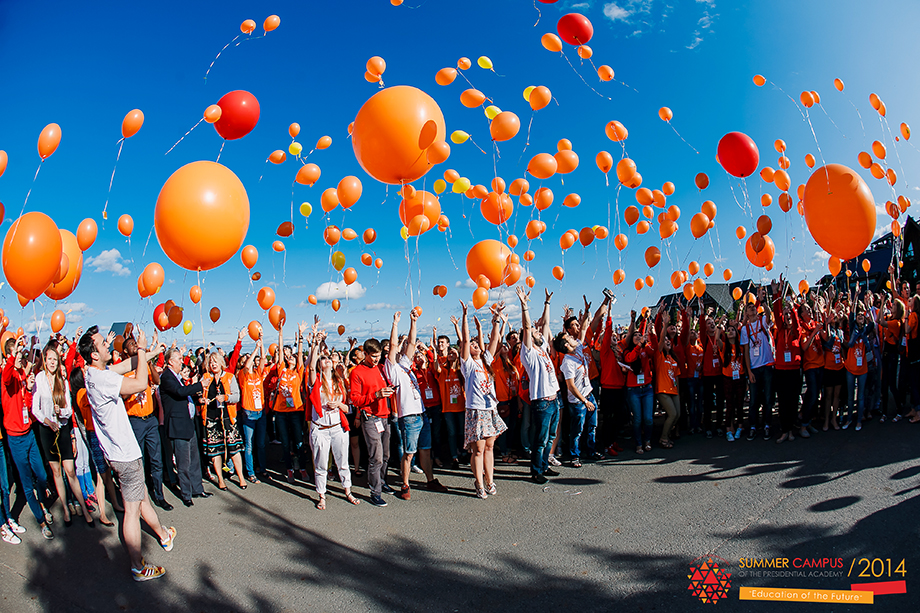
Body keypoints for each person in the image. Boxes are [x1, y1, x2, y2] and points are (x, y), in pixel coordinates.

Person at [80, 326, 175, 582]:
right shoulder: (103, 379)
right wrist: (143, 349)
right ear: (94, 355)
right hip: (125, 454)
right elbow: (140, 382)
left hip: (116, 453)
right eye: (102, 344)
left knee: (142, 497)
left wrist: (151, 351)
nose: (108, 345)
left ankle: (164, 536)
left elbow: (128, 365)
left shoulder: (93, 373)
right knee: (132, 511)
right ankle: (137, 566)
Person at [385, 309, 449, 501]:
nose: (405, 349)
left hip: (421, 414)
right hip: (409, 417)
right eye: (400, 348)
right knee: (409, 453)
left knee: (425, 450)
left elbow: (412, 343)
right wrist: (395, 324)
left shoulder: (406, 365)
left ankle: (430, 480)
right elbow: (395, 345)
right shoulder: (392, 368)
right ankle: (405, 485)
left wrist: (413, 321)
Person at [32, 344, 94, 526]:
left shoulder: (63, 382)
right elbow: (35, 408)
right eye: (49, 359)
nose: (52, 362)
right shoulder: (39, 379)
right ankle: (66, 509)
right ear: (44, 360)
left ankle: (83, 508)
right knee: (57, 472)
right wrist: (46, 421)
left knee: (70, 471)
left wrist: (61, 414)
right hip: (47, 431)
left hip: (62, 429)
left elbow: (68, 409)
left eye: (54, 359)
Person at [2, 336, 52, 539]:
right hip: (15, 439)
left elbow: (27, 403)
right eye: (17, 353)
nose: (21, 357)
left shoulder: (22, 374)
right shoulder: (7, 375)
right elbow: (6, 377)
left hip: (29, 434)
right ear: (9, 355)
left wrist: (30, 389)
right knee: (26, 483)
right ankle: (41, 520)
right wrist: (15, 353)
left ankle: (42, 502)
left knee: (41, 476)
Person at [457, 300, 507, 498]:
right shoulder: (467, 365)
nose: (476, 346)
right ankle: (478, 483)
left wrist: (496, 318)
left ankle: (490, 480)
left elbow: (494, 340)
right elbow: (465, 340)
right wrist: (465, 317)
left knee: (489, 447)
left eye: (478, 344)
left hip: (490, 409)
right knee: (478, 450)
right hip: (476, 410)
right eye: (473, 345)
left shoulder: (486, 361)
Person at [307, 328, 360, 509]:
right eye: (324, 359)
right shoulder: (316, 382)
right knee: (321, 465)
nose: (327, 360)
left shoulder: (339, 382)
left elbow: (348, 407)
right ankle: (322, 495)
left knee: (343, 462)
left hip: (338, 427)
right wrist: (315, 343)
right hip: (320, 429)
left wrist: (338, 405)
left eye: (328, 358)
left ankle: (348, 491)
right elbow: (311, 365)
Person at [516, 286, 561, 484]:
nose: (537, 330)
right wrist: (524, 305)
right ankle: (535, 471)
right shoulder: (529, 353)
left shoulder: (542, 348)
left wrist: (547, 303)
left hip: (554, 400)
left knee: (550, 437)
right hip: (542, 402)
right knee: (540, 440)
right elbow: (527, 328)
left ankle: (544, 465)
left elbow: (546, 324)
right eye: (534, 331)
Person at [121, 334, 171, 511]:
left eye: (136, 343)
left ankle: (159, 495)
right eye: (132, 345)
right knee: (139, 461)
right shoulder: (124, 370)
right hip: (135, 421)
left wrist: (148, 361)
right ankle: (140, 498)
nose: (136, 346)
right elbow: (124, 395)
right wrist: (136, 381)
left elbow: (157, 381)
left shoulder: (145, 365)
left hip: (150, 420)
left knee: (156, 459)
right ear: (126, 351)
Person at [159, 347, 211, 507]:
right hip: (178, 425)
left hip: (187, 423)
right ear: (171, 361)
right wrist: (200, 385)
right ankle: (186, 494)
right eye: (179, 358)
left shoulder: (176, 376)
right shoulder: (167, 377)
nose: (182, 361)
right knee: (183, 462)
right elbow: (179, 392)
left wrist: (196, 401)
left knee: (194, 459)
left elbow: (182, 397)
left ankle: (197, 488)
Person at [70, 367, 120, 526]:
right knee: (100, 474)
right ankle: (103, 514)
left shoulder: (85, 391)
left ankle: (115, 503)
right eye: (84, 374)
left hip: (101, 432)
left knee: (107, 472)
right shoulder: (81, 393)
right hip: (94, 434)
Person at [349, 338, 395, 507]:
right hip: (370, 417)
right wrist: (375, 395)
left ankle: (382, 481)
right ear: (365, 354)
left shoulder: (381, 368)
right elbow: (354, 399)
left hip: (385, 416)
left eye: (379, 355)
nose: (376, 359)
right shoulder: (356, 372)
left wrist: (390, 390)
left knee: (385, 455)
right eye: (373, 356)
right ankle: (375, 492)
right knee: (375, 457)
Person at [555, 305, 598, 465]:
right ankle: (575, 455)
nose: (573, 337)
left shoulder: (578, 347)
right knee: (577, 430)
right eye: (569, 338)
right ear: (566, 345)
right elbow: (571, 386)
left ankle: (591, 450)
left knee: (592, 426)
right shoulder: (567, 362)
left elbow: (585, 327)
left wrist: (586, 311)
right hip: (578, 402)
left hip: (589, 395)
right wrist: (584, 401)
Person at [199, 352, 245, 489]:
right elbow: (198, 394)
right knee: (215, 451)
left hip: (227, 419)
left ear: (221, 363)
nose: (213, 364)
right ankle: (220, 479)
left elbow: (237, 396)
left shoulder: (229, 377)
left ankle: (241, 477)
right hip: (211, 420)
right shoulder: (206, 377)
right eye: (211, 362)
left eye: (215, 361)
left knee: (234, 450)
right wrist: (202, 399)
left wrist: (226, 397)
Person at [274, 322, 309, 483]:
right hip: (280, 412)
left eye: (293, 357)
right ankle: (289, 470)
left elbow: (301, 353)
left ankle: (301, 468)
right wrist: (280, 332)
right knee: (286, 444)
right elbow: (280, 352)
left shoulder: (299, 372)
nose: (290, 358)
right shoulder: (282, 369)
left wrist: (300, 335)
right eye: (289, 357)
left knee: (299, 442)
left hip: (296, 411)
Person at [741, 287, 776, 440]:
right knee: (754, 400)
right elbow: (747, 352)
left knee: (768, 398)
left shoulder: (762, 321)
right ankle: (753, 426)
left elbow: (769, 314)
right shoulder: (745, 329)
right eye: (749, 308)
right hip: (754, 368)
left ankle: (767, 424)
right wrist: (749, 371)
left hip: (767, 365)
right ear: (746, 313)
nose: (752, 309)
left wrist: (763, 301)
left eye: (753, 307)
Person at [772, 282, 803, 444]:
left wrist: (792, 308)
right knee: (782, 402)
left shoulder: (796, 331)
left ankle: (791, 430)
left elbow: (796, 322)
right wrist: (776, 293)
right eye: (785, 317)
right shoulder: (780, 329)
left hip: (794, 370)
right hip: (781, 371)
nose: (787, 319)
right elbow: (777, 313)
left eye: (789, 317)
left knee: (792, 401)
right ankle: (784, 431)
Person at [623, 311, 656, 454]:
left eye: (639, 335)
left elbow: (653, 351)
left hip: (647, 387)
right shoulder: (628, 351)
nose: (638, 336)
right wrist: (638, 346)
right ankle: (638, 443)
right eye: (635, 335)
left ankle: (647, 440)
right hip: (633, 390)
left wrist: (651, 333)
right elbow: (630, 359)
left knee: (648, 418)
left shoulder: (645, 348)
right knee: (637, 419)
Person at [238, 337, 269, 483]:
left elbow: (263, 358)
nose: (249, 362)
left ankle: (262, 469)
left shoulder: (258, 374)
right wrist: (255, 349)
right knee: (249, 444)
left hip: (260, 412)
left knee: (261, 443)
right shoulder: (243, 376)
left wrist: (261, 343)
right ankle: (250, 472)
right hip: (248, 413)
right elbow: (246, 366)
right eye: (247, 359)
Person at [652, 310, 681, 448]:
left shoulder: (673, 358)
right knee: (672, 413)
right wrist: (664, 324)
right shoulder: (659, 356)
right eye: (666, 341)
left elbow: (676, 376)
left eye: (670, 341)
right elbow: (662, 338)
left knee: (678, 415)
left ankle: (667, 434)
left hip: (674, 389)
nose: (668, 342)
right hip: (662, 389)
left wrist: (678, 392)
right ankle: (663, 438)